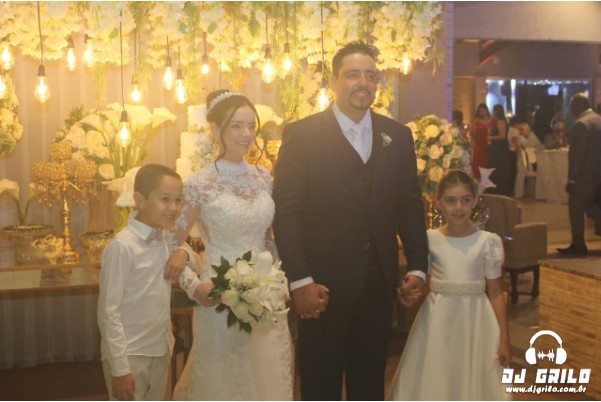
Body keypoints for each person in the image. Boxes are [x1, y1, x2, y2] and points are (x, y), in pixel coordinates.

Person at [272, 41, 428, 401]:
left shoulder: (397, 136)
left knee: (369, 385)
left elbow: (409, 205)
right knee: (320, 385)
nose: (363, 83)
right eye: (353, 74)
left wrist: (418, 265)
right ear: (334, 82)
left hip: (378, 284)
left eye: (371, 76)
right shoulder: (303, 134)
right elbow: (287, 211)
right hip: (320, 287)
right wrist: (300, 279)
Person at [168, 89, 294, 400]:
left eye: (251, 126)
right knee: (224, 379)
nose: (246, 134)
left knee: (267, 375)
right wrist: (194, 286)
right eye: (237, 126)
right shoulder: (199, 184)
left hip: (265, 295)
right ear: (216, 129)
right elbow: (169, 243)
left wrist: (280, 280)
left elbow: (267, 238)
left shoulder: (264, 178)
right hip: (218, 294)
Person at [390, 169, 511, 401]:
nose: (458, 207)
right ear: (438, 203)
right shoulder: (430, 239)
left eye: (465, 200)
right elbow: (426, 283)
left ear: (474, 201)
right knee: (439, 375)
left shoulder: (487, 242)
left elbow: (496, 293)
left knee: (474, 377)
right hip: (438, 322)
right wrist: (411, 293)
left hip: (477, 322)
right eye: (451, 200)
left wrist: (504, 338)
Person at [98, 163, 184, 401]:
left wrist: (184, 253)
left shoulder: (163, 237)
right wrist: (120, 368)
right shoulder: (122, 247)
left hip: (160, 348)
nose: (173, 208)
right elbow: (108, 312)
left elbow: (192, 259)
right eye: (165, 199)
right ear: (140, 200)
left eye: (178, 200)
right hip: (130, 354)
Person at [558, 93, 601, 255]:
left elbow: (578, 155)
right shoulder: (598, 120)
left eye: (571, 106)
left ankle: (578, 244)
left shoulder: (582, 124)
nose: (570, 110)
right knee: (589, 206)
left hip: (585, 176)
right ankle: (578, 243)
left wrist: (572, 179)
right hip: (597, 174)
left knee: (575, 208)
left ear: (577, 105)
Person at [489, 104, 512, 195]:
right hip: (499, 146)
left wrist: (491, 137)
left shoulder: (501, 122)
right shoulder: (498, 121)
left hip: (499, 147)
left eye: (495, 110)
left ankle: (500, 189)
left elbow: (502, 136)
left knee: (499, 167)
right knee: (498, 167)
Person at [469, 103, 496, 179]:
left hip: (491, 146)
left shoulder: (493, 121)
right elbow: (473, 134)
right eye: (479, 110)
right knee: (479, 165)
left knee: (489, 164)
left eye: (483, 110)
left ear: (487, 111)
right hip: (479, 146)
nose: (481, 112)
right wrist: (474, 124)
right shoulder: (477, 122)